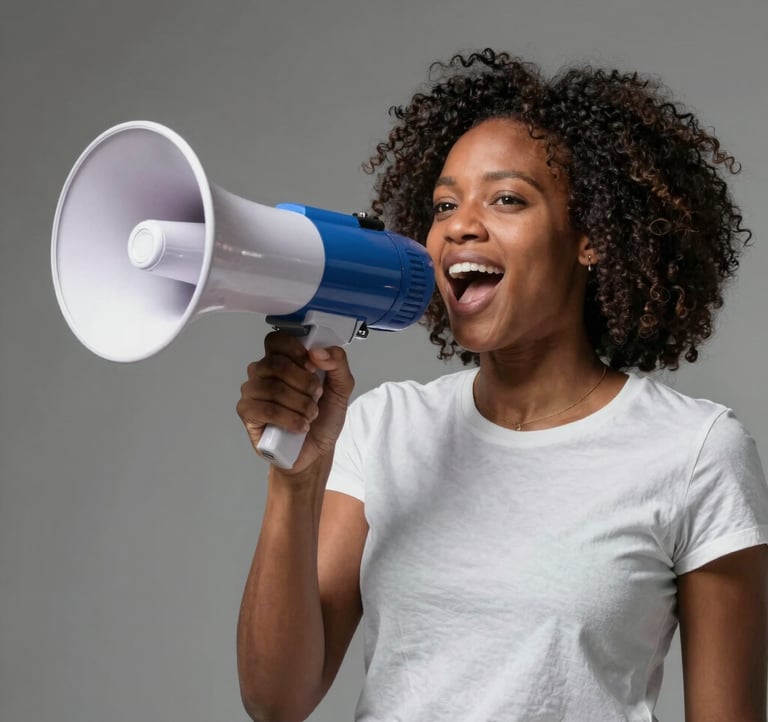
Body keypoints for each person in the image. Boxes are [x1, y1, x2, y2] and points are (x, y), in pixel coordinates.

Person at [234, 49, 768, 721]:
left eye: (508, 199)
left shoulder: (694, 452)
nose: (459, 225)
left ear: (591, 237)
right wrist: (295, 478)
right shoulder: (385, 427)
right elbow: (275, 699)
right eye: (444, 205)